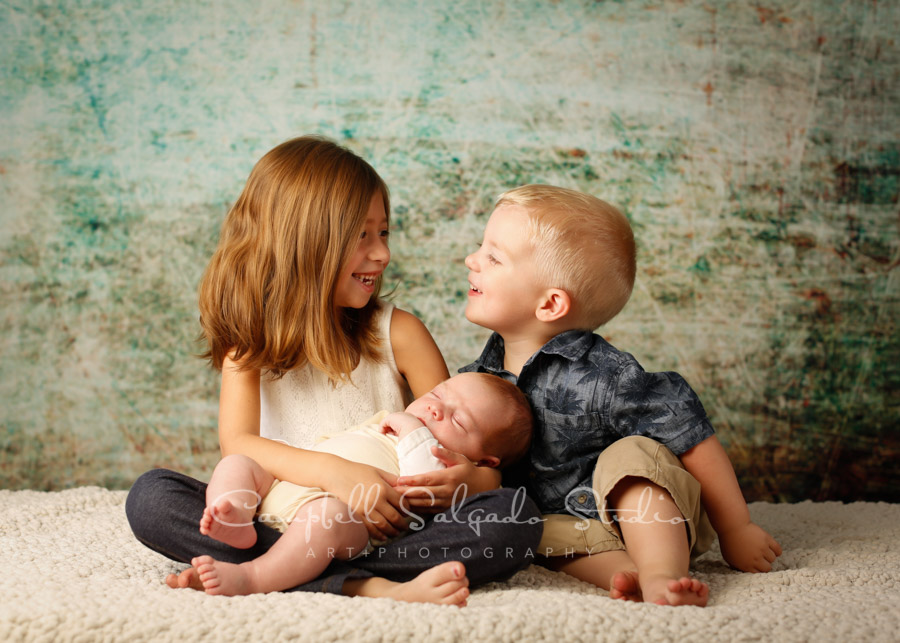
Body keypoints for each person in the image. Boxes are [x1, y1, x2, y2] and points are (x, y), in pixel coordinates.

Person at [125, 137, 542, 606]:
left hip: (383, 526)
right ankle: (370, 585)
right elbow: (238, 446)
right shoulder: (248, 346)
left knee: (514, 517)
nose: (382, 254)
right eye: (363, 235)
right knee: (152, 498)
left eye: (383, 233)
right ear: (301, 241)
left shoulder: (400, 333)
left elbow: (470, 449)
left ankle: (286, 571)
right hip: (278, 514)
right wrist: (334, 472)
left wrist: (471, 481)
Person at [444, 184, 782, 606]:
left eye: (493, 257)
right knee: (526, 527)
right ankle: (633, 577)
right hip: (568, 525)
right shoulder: (480, 378)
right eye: (481, 248)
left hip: (648, 514)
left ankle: (663, 571)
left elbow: (690, 432)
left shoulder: (606, 375)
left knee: (632, 459)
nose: (471, 260)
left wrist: (737, 529)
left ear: (550, 304)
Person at [187, 372, 532, 598]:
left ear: (482, 460)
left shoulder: (437, 457)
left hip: (337, 523)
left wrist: (414, 428)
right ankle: (235, 517)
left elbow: (420, 490)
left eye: (457, 419)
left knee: (515, 515)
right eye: (438, 393)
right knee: (231, 466)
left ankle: (254, 576)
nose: (435, 408)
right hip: (283, 492)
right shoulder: (384, 421)